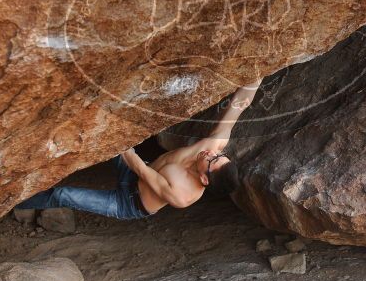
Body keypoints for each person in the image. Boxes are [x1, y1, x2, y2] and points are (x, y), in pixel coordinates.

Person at [15, 78, 262, 219]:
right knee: (106, 134)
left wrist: (118, 139)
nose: (211, 153)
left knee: (63, 195)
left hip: (127, 202)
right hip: (135, 172)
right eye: (219, 155)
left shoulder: (182, 195)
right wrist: (258, 73)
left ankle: (16, 204)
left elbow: (137, 165)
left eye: (212, 160)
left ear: (204, 179)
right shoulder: (211, 147)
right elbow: (239, 105)